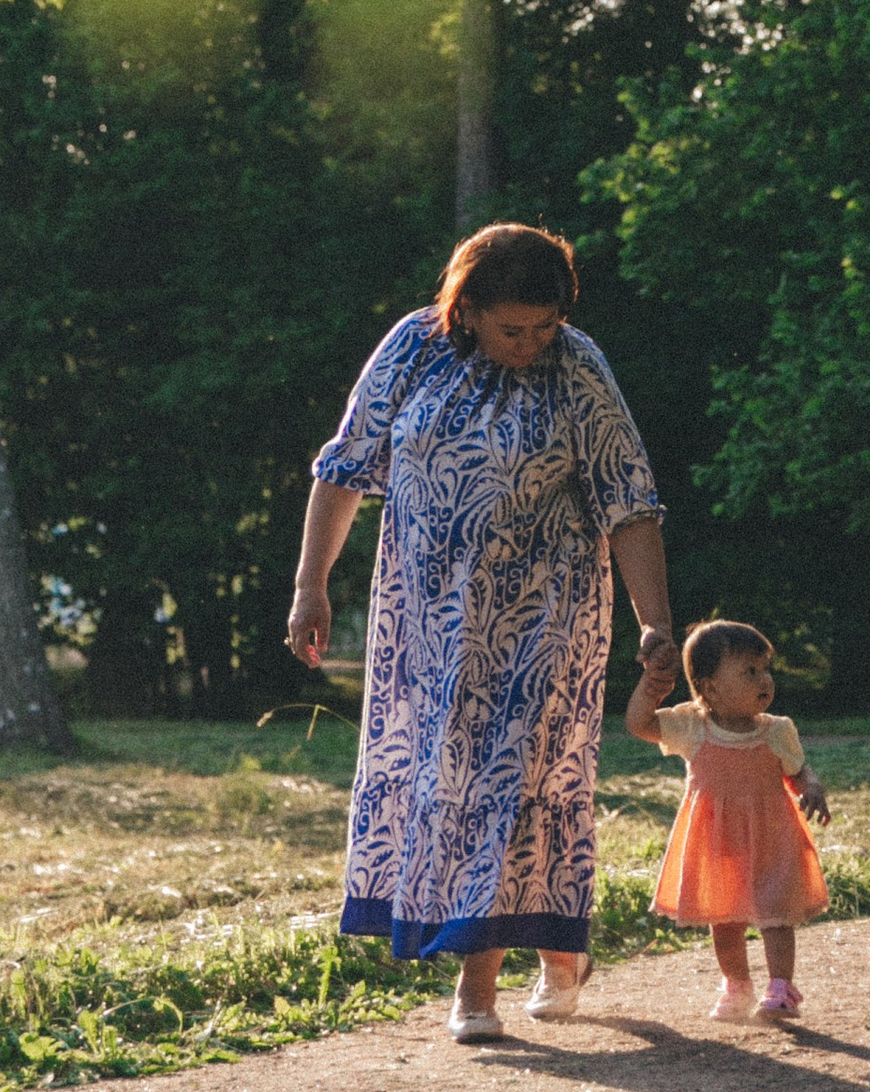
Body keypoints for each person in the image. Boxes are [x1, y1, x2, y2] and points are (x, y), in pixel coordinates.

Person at [290, 221, 678, 1043]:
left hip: (545, 616)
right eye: (514, 329)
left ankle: (476, 987)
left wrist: (656, 625)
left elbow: (628, 498)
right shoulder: (410, 349)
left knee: (508, 776)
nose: (533, 344)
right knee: (449, 778)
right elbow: (344, 467)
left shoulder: (580, 367)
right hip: (424, 621)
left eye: (545, 327)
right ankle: (555, 944)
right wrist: (310, 587)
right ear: (466, 310)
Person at [627, 614, 831, 1022]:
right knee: (724, 917)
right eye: (750, 671)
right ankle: (736, 985)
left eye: (765, 670)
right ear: (709, 687)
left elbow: (797, 770)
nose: (764, 680)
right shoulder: (692, 727)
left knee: (775, 913)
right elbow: (639, 725)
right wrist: (650, 688)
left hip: (771, 834)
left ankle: (781, 987)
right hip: (716, 838)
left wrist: (811, 785)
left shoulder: (776, 730)